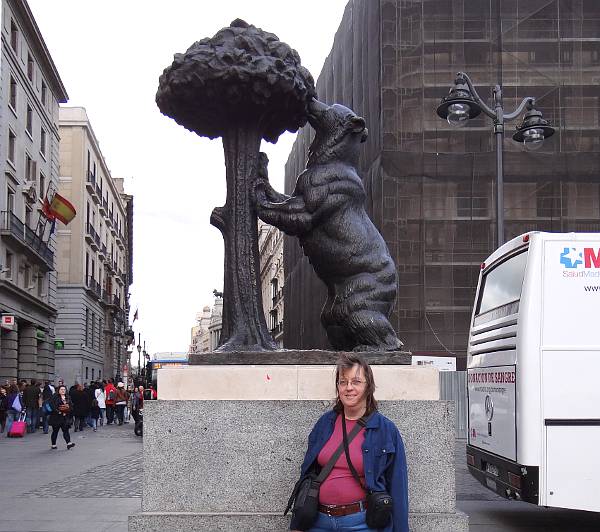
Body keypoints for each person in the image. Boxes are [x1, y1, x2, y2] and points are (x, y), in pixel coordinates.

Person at [290, 354, 409, 532]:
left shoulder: (385, 429)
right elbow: (307, 474)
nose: (348, 388)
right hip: (318, 522)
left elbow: (398, 487)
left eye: (356, 382)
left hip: (361, 524)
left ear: (368, 386)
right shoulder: (325, 424)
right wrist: (297, 525)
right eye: (343, 382)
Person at [48, 385, 75, 450]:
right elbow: (52, 406)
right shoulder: (54, 397)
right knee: (55, 431)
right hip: (56, 417)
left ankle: (69, 443)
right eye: (61, 389)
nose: (63, 391)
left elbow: (71, 405)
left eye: (64, 389)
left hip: (64, 417)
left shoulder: (67, 397)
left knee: (65, 430)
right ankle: (53, 444)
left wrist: (68, 410)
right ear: (58, 390)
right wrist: (58, 412)